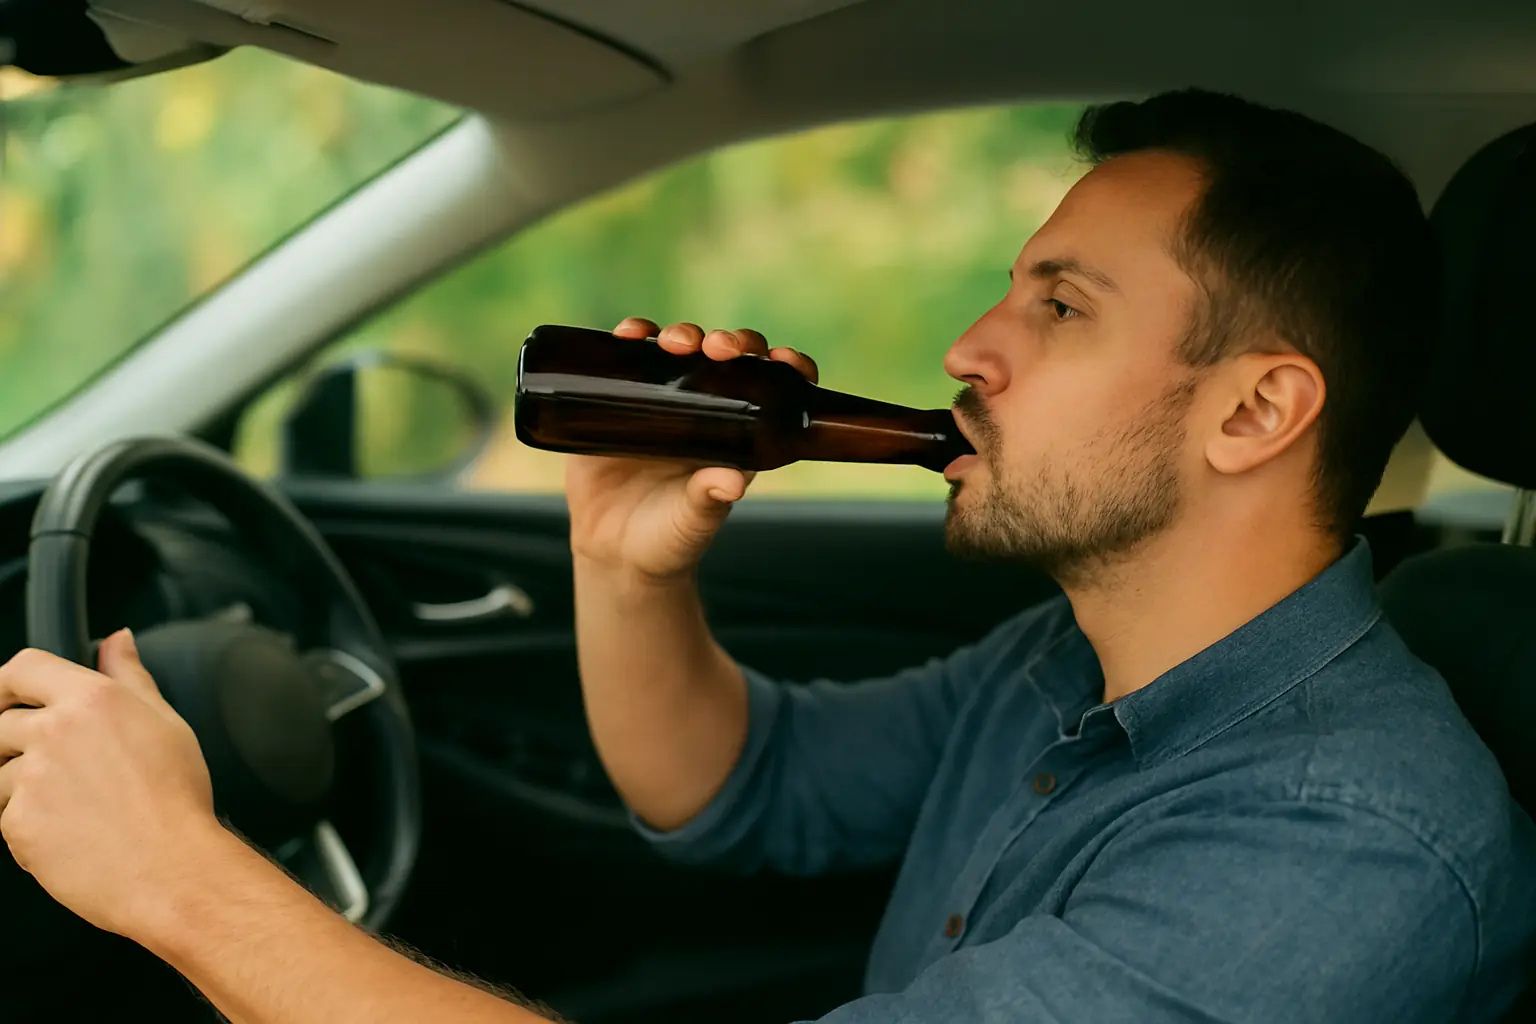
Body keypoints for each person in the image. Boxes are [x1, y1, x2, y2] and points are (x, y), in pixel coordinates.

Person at [0, 89, 1532, 1024]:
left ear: (1257, 408)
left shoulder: (1355, 848)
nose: (967, 349)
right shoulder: (1078, 649)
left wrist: (178, 880)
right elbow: (741, 792)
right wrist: (625, 561)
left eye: (1060, 307)